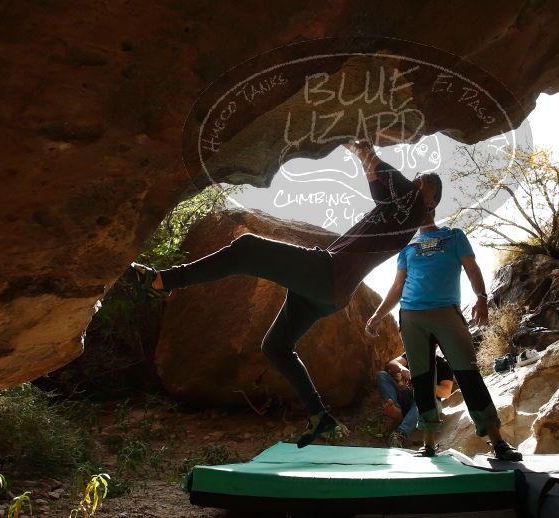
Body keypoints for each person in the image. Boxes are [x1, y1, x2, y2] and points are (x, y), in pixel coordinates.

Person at [126, 139, 443, 448]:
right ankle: (320, 417)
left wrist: (363, 147)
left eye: (423, 184)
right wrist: (359, 153)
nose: (417, 182)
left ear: (430, 201)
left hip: (327, 274)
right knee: (276, 347)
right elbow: (377, 178)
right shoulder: (395, 209)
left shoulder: (413, 209)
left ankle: (163, 281)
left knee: (248, 247)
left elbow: (385, 174)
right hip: (329, 292)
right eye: (417, 180)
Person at [365, 211, 522, 461]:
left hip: (447, 312)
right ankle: (427, 445)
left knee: (469, 375)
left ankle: (498, 441)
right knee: (422, 380)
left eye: (426, 203)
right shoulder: (408, 247)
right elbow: (397, 287)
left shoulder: (454, 236)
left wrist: (481, 297)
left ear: (434, 206)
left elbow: (472, 267)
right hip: (412, 316)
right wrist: (377, 316)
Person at [378, 350, 453, 448]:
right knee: (382, 375)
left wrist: (424, 386)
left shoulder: (443, 365)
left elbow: (446, 392)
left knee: (421, 402)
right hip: (404, 395)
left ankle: (399, 434)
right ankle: (395, 409)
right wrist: (402, 369)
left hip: (425, 400)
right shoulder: (411, 354)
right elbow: (391, 364)